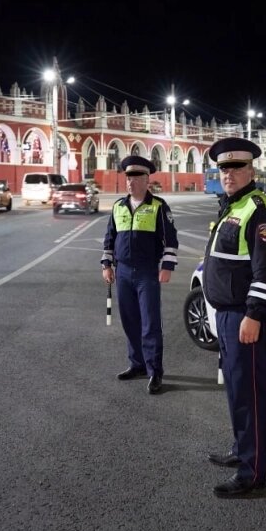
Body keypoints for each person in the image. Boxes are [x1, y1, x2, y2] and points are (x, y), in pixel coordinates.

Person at [201, 137, 266, 498]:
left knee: (250, 393)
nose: (229, 174)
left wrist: (254, 315)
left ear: (251, 170)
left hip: (245, 317)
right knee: (236, 389)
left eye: (236, 167)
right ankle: (241, 450)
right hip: (227, 314)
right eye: (224, 168)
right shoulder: (230, 206)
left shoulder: (259, 210)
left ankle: (253, 472)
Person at [101, 155, 178, 394]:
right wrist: (107, 264)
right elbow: (109, 239)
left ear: (147, 180)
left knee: (150, 324)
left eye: (136, 178)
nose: (131, 183)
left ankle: (155, 371)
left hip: (146, 273)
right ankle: (137, 364)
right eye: (128, 178)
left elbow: (171, 240)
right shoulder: (118, 206)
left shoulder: (158, 206)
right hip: (122, 272)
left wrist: (167, 267)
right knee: (130, 321)